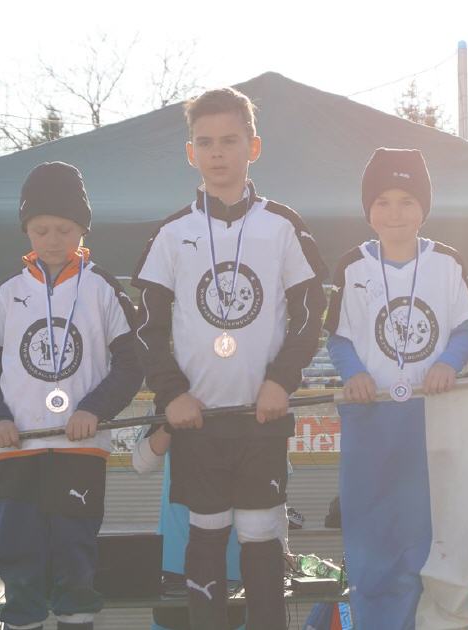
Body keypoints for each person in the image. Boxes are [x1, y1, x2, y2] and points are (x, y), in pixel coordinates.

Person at [131, 87, 327, 630]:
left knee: (262, 543)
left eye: (230, 141)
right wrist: (172, 394)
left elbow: (311, 311)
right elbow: (145, 326)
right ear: (190, 153)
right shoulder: (171, 234)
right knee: (206, 541)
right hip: (198, 423)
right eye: (205, 143)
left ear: (253, 147)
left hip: (262, 419)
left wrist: (282, 380)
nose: (217, 153)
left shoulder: (283, 226)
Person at [0, 161, 143, 630]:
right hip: (17, 450)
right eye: (41, 229)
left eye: (64, 229)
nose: (52, 240)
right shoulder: (9, 292)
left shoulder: (103, 287)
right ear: (26, 230)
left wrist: (95, 408)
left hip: (79, 450)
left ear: (83, 228)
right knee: (18, 557)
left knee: (74, 557)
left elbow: (132, 363)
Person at [323, 148, 468, 629]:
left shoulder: (447, 263)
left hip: (430, 421)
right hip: (371, 422)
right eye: (383, 201)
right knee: (372, 537)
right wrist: (354, 373)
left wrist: (448, 363)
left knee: (424, 536)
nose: (395, 213)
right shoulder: (352, 266)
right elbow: (338, 338)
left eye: (407, 200)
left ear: (424, 207)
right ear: (368, 209)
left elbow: (465, 332)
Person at [131, 424, 246, 630]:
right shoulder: (170, 404)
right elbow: (141, 462)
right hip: (175, 565)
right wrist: (170, 424)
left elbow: (274, 487)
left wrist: (282, 546)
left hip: (234, 567)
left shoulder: (251, 405)